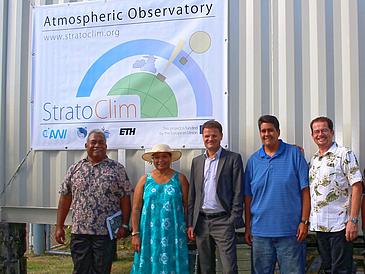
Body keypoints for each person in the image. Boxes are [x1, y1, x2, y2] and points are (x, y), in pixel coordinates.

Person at [55, 129, 133, 274]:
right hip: (80, 231)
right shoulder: (75, 169)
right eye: (93, 142)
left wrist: (124, 224)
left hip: (105, 233)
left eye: (101, 142)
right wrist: (59, 226)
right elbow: (65, 198)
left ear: (106, 146)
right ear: (86, 146)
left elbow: (125, 199)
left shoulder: (117, 169)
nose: (97, 145)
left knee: (102, 270)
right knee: (80, 270)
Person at [244, 115, 310, 274]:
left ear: (278, 132)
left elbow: (305, 191)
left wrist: (304, 221)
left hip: (291, 232)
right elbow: (248, 197)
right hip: (260, 233)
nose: (267, 134)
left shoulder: (295, 154)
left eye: (270, 130)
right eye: (263, 131)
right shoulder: (253, 160)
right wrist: (247, 227)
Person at [187, 120, 244, 274]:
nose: (210, 139)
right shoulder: (197, 161)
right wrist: (191, 223)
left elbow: (239, 191)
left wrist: (233, 220)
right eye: (207, 136)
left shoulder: (233, 159)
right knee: (206, 268)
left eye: (214, 135)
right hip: (201, 222)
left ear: (221, 136)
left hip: (224, 221)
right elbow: (193, 194)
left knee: (229, 268)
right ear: (202, 137)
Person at [309, 116, 362, 273]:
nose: (320, 134)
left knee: (340, 270)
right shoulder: (314, 160)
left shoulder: (344, 154)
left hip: (340, 226)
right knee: (327, 269)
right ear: (312, 135)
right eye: (316, 131)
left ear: (332, 132)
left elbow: (357, 187)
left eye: (324, 130)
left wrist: (353, 220)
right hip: (320, 226)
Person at [130, 144, 189, 273]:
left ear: (170, 158)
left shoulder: (180, 179)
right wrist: (135, 234)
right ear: (152, 159)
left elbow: (187, 206)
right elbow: (136, 208)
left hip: (174, 233)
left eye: (164, 157)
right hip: (149, 233)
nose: (160, 160)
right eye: (156, 157)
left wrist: (187, 228)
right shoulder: (145, 180)